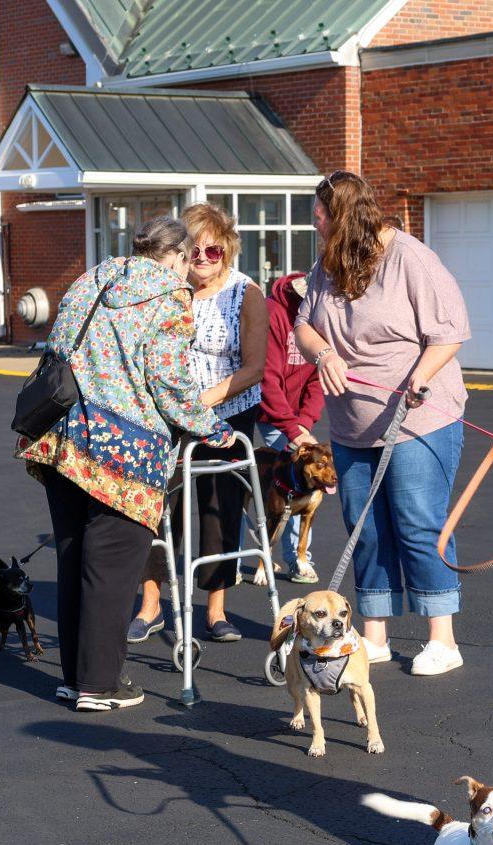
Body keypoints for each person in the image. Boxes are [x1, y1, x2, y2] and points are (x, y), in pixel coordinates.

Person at [16, 216, 233, 710]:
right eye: (187, 260)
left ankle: (76, 677)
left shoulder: (94, 277)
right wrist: (213, 429)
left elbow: (59, 347)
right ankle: (99, 685)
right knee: (111, 570)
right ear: (175, 256)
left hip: (62, 439)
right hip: (124, 455)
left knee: (75, 562)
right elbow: (170, 385)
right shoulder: (169, 299)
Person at [294, 171, 471, 676]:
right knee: (365, 526)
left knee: (418, 521)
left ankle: (443, 638)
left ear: (340, 217)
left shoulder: (409, 258)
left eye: (319, 213)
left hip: (417, 418)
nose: (314, 221)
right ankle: (374, 634)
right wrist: (323, 351)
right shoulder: (327, 264)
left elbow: (450, 334)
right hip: (352, 424)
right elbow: (304, 324)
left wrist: (419, 377)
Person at [131, 202, 267, 643]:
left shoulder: (246, 293)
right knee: (156, 507)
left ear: (228, 251)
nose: (205, 260)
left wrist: (200, 404)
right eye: (197, 252)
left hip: (226, 410)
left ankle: (215, 609)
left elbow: (254, 368)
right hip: (166, 414)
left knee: (218, 509)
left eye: (215, 252)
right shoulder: (166, 289)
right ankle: (151, 605)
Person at [258, 271, 324, 583]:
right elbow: (267, 377)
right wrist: (292, 429)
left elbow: (317, 379)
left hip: (297, 418)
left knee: (297, 483)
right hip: (264, 411)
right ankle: (259, 554)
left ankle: (298, 559)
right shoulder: (273, 312)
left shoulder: (321, 316)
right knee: (260, 484)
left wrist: (305, 423)